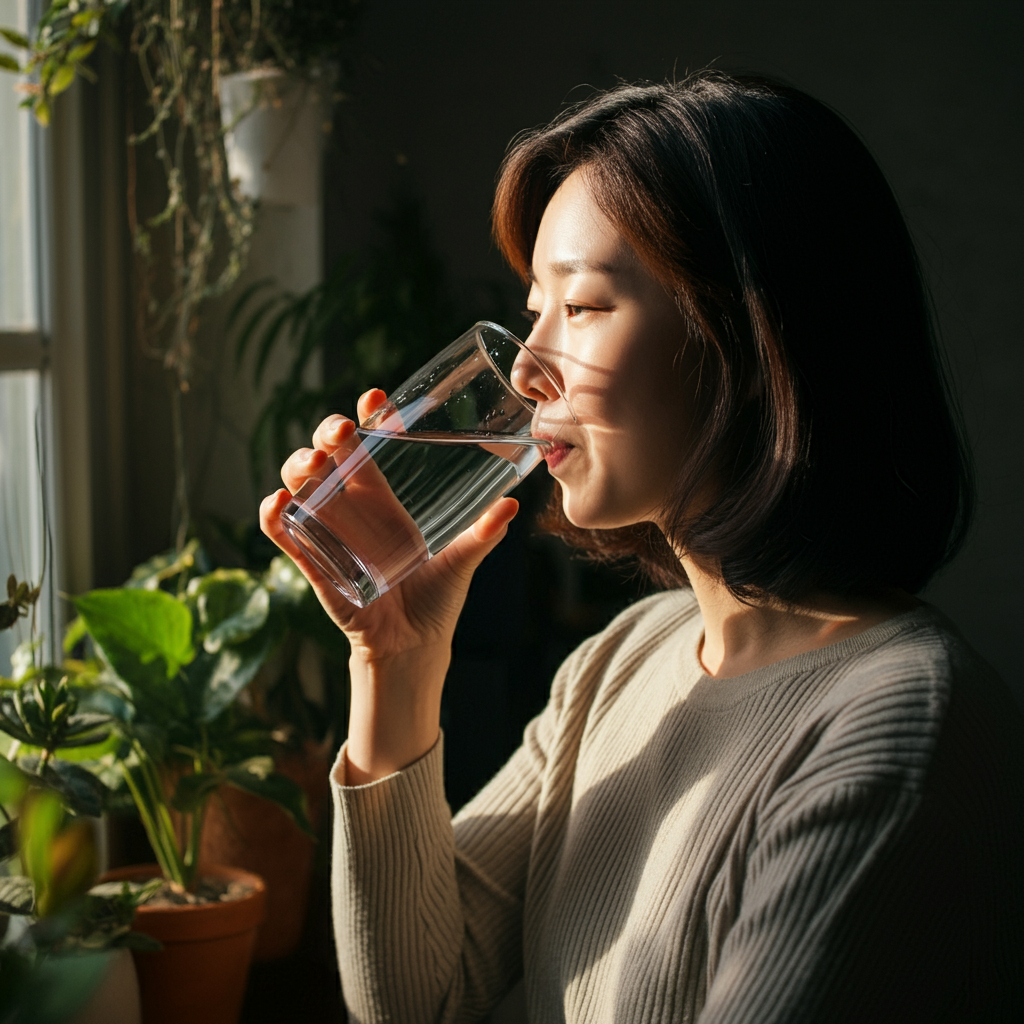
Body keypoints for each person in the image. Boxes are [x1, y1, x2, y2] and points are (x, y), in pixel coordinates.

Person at [260, 71, 1024, 1023]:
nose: (529, 367)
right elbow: (420, 998)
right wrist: (396, 662)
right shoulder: (625, 659)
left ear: (749, 337)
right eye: (532, 305)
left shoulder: (899, 732)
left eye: (580, 307)